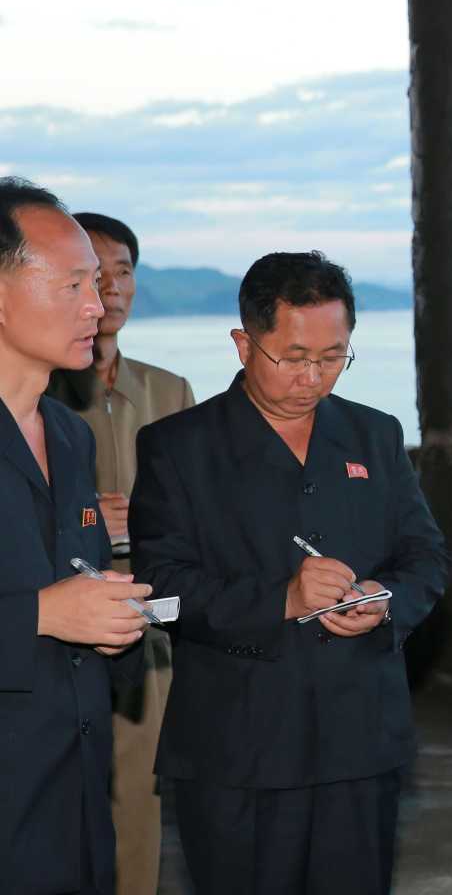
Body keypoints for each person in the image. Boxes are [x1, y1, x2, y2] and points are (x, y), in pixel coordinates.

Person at [131, 251, 451, 895]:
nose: (313, 376)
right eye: (294, 356)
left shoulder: (374, 434)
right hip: (238, 744)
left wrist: (382, 601)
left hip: (358, 735)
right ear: (244, 343)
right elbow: (162, 589)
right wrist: (282, 597)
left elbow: (425, 556)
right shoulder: (179, 446)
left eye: (334, 356)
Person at [0, 177, 153, 895]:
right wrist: (42, 614)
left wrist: (102, 614)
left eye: (98, 282)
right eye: (71, 285)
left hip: (76, 786)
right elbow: (42, 605)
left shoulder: (67, 433)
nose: (98, 305)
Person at [48, 212, 195, 895]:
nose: (108, 289)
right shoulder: (30, 397)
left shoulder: (170, 393)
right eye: (89, 273)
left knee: (140, 798)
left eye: (123, 272)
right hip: (51, 624)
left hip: (146, 627)